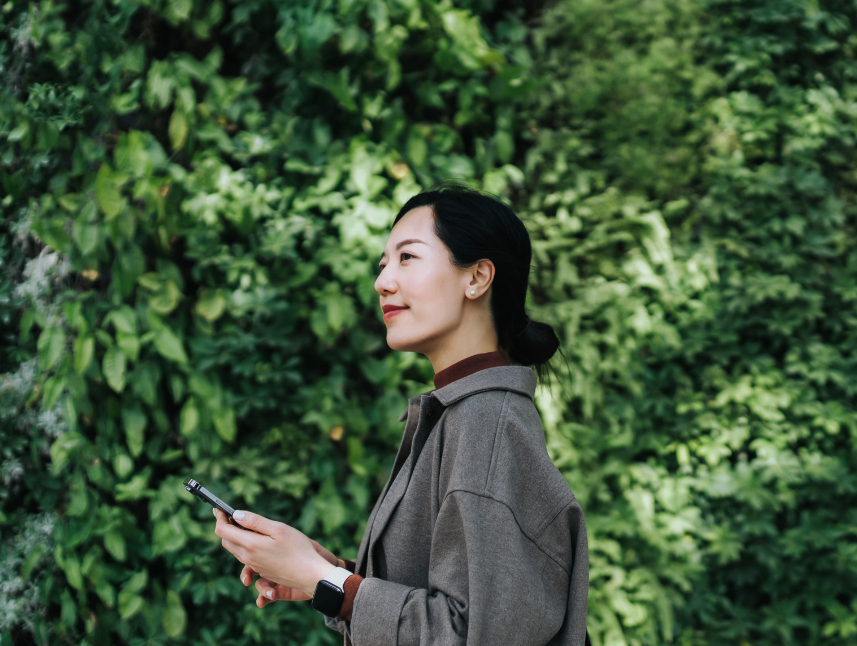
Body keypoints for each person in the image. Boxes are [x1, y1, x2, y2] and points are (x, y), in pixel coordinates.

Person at [211, 186, 589, 646]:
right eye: (383, 264)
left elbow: (473, 635)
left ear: (478, 277)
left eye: (407, 257)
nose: (383, 281)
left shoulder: (486, 424)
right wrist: (329, 579)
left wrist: (323, 579)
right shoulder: (460, 413)